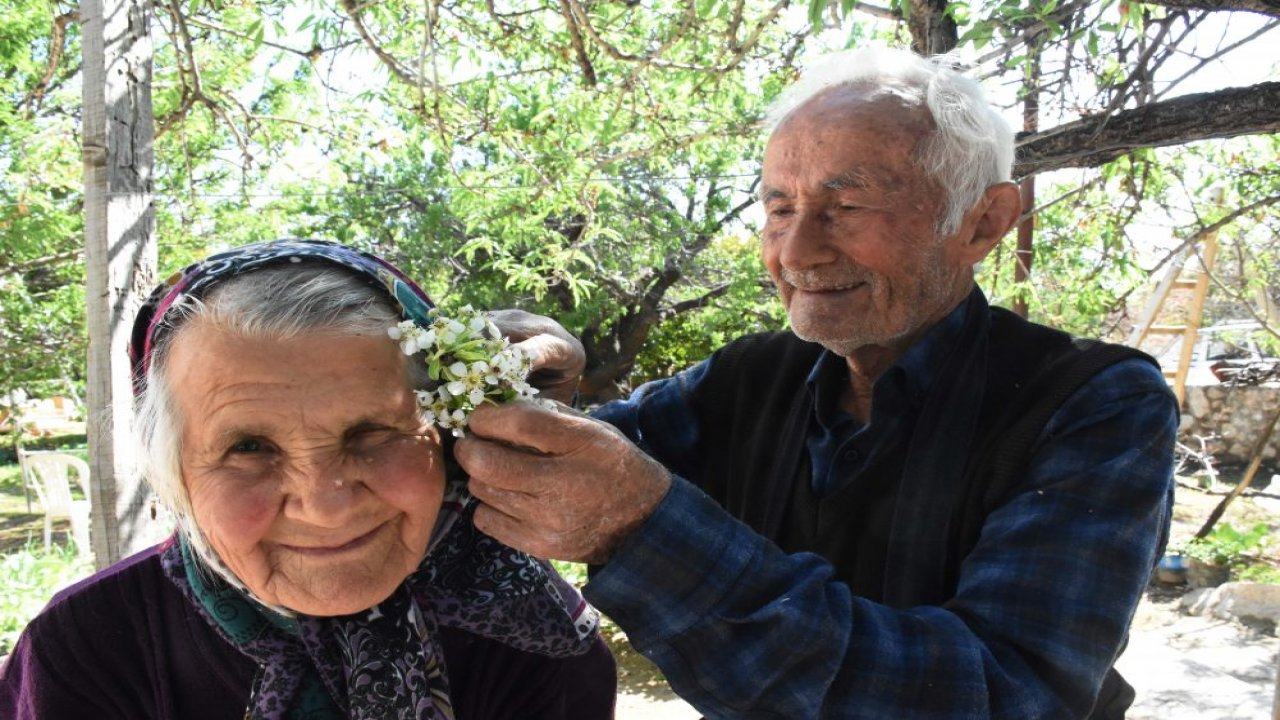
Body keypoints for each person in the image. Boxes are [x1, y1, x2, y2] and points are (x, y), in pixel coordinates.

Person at [453, 47, 1178, 719]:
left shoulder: (1093, 402)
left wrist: (645, 527)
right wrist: (535, 395)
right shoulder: (755, 374)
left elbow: (1004, 695)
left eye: (848, 207)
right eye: (779, 209)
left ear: (983, 223)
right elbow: (582, 461)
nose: (797, 252)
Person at [0, 239, 616, 720]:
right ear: (176, 474)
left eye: (372, 431)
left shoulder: (532, 631)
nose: (323, 504)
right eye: (248, 446)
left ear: (451, 440)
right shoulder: (86, 648)